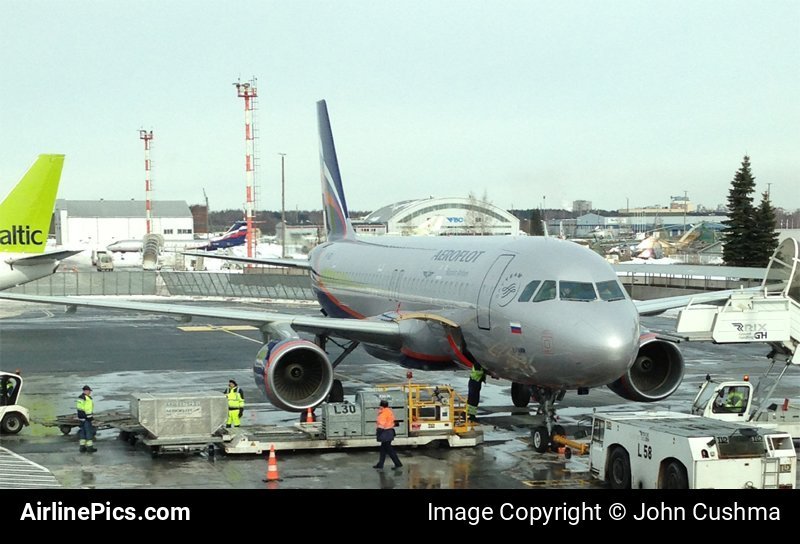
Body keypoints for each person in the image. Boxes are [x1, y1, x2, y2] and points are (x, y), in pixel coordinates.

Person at [373, 399, 402, 469]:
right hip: (390, 432)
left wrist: (378, 433)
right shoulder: (389, 411)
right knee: (383, 449)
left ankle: (398, 464)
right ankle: (380, 464)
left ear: (381, 406)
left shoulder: (383, 413)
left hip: (385, 433)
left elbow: (381, 425)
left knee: (389, 450)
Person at [76, 385, 96, 453]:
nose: (90, 392)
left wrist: (81, 417)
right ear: (85, 391)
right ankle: (90, 448)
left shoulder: (84, 397)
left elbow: (81, 408)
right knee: (88, 432)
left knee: (83, 432)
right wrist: (86, 417)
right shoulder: (84, 398)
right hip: (86, 418)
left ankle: (82, 447)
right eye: (89, 391)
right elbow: (81, 408)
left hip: (83, 417)